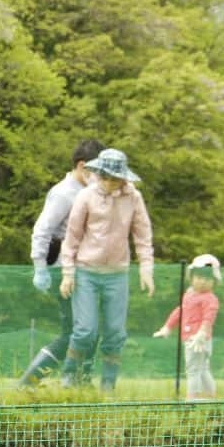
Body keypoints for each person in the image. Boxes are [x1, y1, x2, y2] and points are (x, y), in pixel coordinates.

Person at [58, 148, 155, 392]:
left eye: (115, 178)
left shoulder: (133, 198)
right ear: (98, 173)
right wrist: (68, 273)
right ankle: (70, 376)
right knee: (85, 330)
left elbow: (142, 234)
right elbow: (72, 236)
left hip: (117, 273)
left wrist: (146, 268)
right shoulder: (86, 196)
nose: (110, 183)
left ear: (124, 177)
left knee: (115, 333)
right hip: (86, 272)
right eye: (106, 177)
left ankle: (108, 384)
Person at [19, 138, 106, 386]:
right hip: (63, 270)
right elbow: (42, 230)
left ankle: (81, 380)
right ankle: (30, 382)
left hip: (85, 271)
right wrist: (40, 267)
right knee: (76, 332)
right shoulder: (63, 194)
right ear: (82, 166)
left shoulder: (90, 192)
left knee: (91, 330)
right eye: (96, 171)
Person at [154, 254, 222, 401]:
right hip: (189, 338)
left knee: (193, 370)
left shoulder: (210, 299)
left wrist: (202, 334)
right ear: (191, 277)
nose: (202, 282)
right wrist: (167, 327)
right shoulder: (189, 295)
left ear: (214, 281)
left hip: (198, 341)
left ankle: (192, 398)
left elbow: (208, 318)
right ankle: (210, 397)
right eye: (198, 277)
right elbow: (180, 311)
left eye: (207, 279)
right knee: (201, 369)